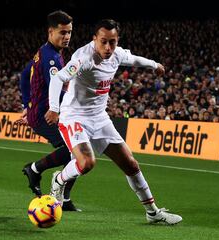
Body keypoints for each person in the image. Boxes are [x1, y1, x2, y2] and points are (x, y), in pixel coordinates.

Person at [45, 19, 182, 224]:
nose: (108, 47)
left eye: (113, 42)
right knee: (87, 163)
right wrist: (54, 108)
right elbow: (58, 78)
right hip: (74, 116)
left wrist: (155, 65)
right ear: (94, 39)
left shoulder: (116, 54)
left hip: (100, 118)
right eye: (103, 42)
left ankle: (152, 212)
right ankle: (59, 179)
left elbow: (134, 59)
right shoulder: (83, 58)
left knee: (130, 164)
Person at [20, 10, 81, 211]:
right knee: (77, 151)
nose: (66, 37)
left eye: (69, 32)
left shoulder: (45, 52)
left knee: (78, 151)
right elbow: (55, 89)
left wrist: (26, 104)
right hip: (44, 116)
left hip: (40, 113)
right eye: (62, 32)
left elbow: (23, 75)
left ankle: (62, 196)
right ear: (50, 31)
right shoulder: (51, 59)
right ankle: (35, 169)